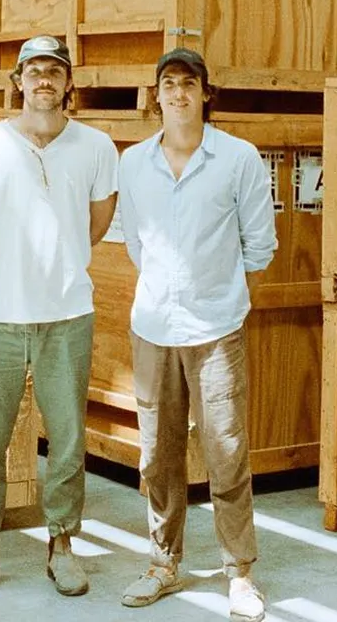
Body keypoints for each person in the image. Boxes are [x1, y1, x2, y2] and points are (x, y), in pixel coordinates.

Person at [0, 34, 118, 602]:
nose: (43, 80)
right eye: (33, 71)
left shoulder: (96, 147)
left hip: (67, 313)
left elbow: (96, 222)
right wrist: (9, 268)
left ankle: (63, 545)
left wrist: (54, 264)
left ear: (70, 83)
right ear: (17, 80)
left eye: (55, 71)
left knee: (68, 440)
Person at [117, 48, 276, 622]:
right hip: (154, 326)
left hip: (216, 328)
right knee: (158, 454)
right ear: (154, 95)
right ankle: (163, 563)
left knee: (227, 451)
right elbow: (134, 241)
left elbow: (260, 244)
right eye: (168, 84)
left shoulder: (237, 158)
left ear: (207, 93)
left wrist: (213, 288)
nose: (178, 93)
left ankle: (240, 573)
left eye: (189, 83)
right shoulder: (134, 163)